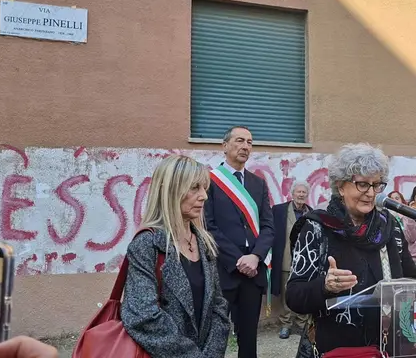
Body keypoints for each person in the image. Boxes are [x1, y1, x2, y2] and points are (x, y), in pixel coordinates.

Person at [286, 143, 416, 355]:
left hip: (389, 346)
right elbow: (294, 296)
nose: (371, 193)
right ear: (341, 186)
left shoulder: (389, 227)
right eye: (362, 184)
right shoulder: (317, 227)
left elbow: (413, 280)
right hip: (337, 348)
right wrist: (325, 287)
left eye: (376, 185)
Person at [121, 155, 230, 357]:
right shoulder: (147, 245)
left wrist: (212, 353)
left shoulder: (204, 242)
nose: (204, 196)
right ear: (170, 191)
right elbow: (143, 316)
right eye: (194, 188)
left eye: (204, 188)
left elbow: (218, 306)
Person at [203, 126, 274, 358]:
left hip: (253, 272)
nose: (245, 147)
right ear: (225, 146)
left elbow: (268, 226)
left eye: (250, 142)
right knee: (215, 336)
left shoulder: (258, 183)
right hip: (223, 270)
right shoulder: (209, 181)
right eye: (240, 141)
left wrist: (255, 257)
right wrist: (238, 260)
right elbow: (208, 226)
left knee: (249, 337)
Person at [271, 182, 312, 339]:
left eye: (304, 192)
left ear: (307, 195)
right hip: (286, 258)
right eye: (298, 192)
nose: (301, 195)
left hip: (305, 262)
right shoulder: (279, 210)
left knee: (304, 291)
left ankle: (302, 323)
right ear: (292, 193)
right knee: (285, 293)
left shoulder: (311, 212)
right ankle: (286, 324)